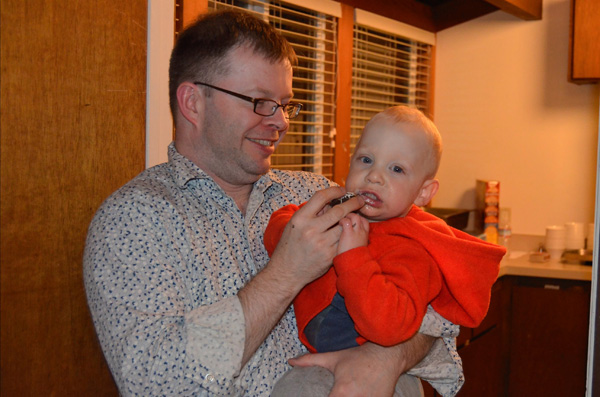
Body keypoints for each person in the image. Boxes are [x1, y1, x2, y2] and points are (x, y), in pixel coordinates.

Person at [83, 9, 463, 396]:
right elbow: (156, 384)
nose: (281, 121)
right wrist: (286, 272)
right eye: (260, 101)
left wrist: (385, 360)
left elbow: (440, 319)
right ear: (193, 102)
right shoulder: (134, 220)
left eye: (284, 104)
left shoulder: (319, 195)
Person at [264, 106, 506, 360]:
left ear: (424, 192)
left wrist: (353, 255)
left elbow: (389, 329)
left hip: (359, 365)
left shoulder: (412, 249)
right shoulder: (336, 207)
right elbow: (280, 230)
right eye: (366, 160)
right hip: (310, 354)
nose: (375, 176)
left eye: (397, 169)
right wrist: (300, 234)